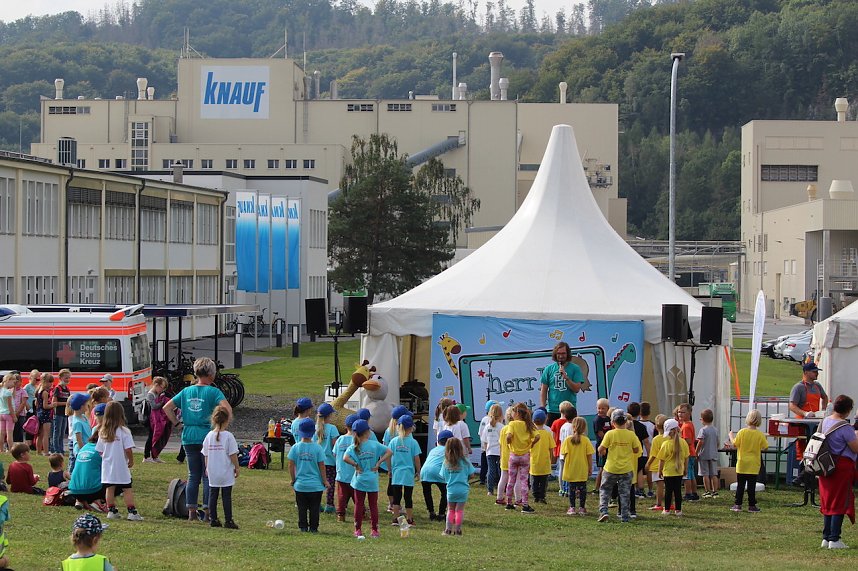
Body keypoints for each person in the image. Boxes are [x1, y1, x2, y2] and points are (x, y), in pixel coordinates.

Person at [163, 357, 232, 523]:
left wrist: (177, 423)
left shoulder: (186, 391)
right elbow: (227, 409)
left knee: (193, 475)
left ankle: (191, 512)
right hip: (207, 436)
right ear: (211, 374)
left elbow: (167, 408)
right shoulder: (213, 392)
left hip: (189, 435)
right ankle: (208, 511)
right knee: (208, 475)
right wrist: (221, 427)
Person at [817, 395, 858, 549]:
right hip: (841, 468)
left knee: (827, 501)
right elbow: (855, 448)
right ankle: (835, 538)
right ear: (847, 410)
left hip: (824, 465)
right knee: (839, 502)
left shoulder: (824, 421)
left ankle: (826, 537)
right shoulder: (845, 428)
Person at [344, 419, 392, 539]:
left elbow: (345, 458)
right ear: (367, 432)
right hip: (372, 479)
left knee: (359, 505)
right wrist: (379, 462)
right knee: (373, 505)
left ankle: (358, 529)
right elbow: (389, 451)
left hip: (359, 479)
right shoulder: (374, 444)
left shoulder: (354, 446)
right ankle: (374, 530)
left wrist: (355, 464)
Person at [96, 402, 142, 521]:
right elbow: (128, 449)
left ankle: (111, 510)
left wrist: (106, 456)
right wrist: (130, 460)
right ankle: (131, 511)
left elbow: (100, 450)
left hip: (108, 465)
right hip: (121, 465)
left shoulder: (103, 432)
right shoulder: (124, 431)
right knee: (127, 488)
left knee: (109, 488)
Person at [597, 408, 640, 523]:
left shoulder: (610, 434)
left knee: (605, 490)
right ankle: (624, 516)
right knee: (625, 493)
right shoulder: (631, 435)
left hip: (610, 467)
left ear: (612, 422)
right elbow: (636, 449)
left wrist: (603, 452)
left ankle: (604, 511)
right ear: (626, 421)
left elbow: (601, 449)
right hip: (626, 468)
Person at [203, 404, 239, 529]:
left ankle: (213, 518)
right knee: (226, 496)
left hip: (213, 470)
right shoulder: (228, 436)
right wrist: (237, 467)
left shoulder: (209, 436)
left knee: (213, 495)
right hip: (225, 471)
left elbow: (206, 454)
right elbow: (233, 454)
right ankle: (228, 520)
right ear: (227, 419)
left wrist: (207, 468)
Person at [289, 418, 328, 533]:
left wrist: (293, 479)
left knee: (302, 508)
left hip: (300, 485)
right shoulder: (318, 448)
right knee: (315, 508)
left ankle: (303, 526)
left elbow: (291, 465)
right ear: (313, 432)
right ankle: (314, 527)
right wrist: (324, 480)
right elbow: (322, 466)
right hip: (316, 485)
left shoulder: (295, 447)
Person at [728, 409, 768, 513]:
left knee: (740, 485)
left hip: (742, 464)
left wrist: (731, 436)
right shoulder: (760, 435)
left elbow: (735, 444)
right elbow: (765, 447)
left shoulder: (742, 432)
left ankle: (737, 504)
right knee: (751, 486)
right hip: (754, 465)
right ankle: (752, 505)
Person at [788, 362, 829, 460]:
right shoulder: (798, 387)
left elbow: (825, 397)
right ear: (806, 372)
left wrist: (823, 410)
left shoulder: (817, 385)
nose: (817, 374)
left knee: (816, 447)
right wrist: (805, 413)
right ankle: (801, 465)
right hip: (802, 423)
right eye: (814, 372)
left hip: (815, 422)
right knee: (802, 449)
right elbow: (792, 405)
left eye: (817, 372)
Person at [504, 402, 539, 514]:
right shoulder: (528, 424)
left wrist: (508, 443)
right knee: (524, 481)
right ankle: (525, 504)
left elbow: (509, 436)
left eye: (513, 411)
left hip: (513, 455)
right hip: (525, 456)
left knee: (511, 480)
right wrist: (531, 444)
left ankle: (509, 503)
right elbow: (537, 436)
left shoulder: (512, 424)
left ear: (517, 413)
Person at [388, 414, 422, 526]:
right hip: (408, 473)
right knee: (408, 497)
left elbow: (388, 456)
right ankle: (410, 519)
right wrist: (418, 471)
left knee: (396, 498)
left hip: (396, 472)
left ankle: (395, 519)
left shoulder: (393, 441)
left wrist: (390, 469)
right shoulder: (413, 442)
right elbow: (416, 459)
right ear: (411, 428)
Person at [539, 341, 584, 425]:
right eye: (558, 353)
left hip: (569, 411)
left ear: (568, 354)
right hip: (552, 411)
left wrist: (566, 378)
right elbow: (544, 389)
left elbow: (577, 389)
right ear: (555, 354)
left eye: (563, 353)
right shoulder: (549, 369)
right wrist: (543, 407)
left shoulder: (575, 368)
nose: (561, 356)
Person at [439, 437, 476, 536]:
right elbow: (472, 474)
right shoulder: (465, 461)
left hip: (451, 489)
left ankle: (448, 529)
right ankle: (458, 530)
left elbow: (443, 476)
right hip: (463, 489)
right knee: (459, 510)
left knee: (450, 509)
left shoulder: (446, 462)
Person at [561, 416, 595, 515]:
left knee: (572, 489)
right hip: (582, 468)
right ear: (584, 428)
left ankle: (572, 507)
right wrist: (590, 468)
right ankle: (582, 507)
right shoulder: (586, 440)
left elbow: (564, 454)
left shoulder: (567, 440)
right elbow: (589, 456)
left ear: (573, 427)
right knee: (582, 489)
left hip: (571, 468)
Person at [657, 418, 689, 516]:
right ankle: (678, 510)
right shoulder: (683, 442)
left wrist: (659, 471)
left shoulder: (665, 444)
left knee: (668, 491)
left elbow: (661, 460)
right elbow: (686, 458)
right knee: (678, 491)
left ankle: (666, 510)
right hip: (679, 470)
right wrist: (685, 469)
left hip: (668, 471)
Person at [68, 434, 107, 513]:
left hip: (74, 490)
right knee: (118, 483)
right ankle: (97, 501)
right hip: (93, 491)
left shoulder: (84, 448)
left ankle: (80, 501)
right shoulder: (101, 451)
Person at [420, 429, 453, 522]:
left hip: (425, 472)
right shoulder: (448, 451)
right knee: (445, 492)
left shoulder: (433, 450)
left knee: (427, 493)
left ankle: (431, 512)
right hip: (437, 472)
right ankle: (441, 514)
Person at [333, 414, 358, 523]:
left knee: (342, 496)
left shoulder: (340, 439)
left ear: (346, 426)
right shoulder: (356, 441)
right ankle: (361, 513)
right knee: (357, 496)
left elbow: (334, 453)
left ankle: (341, 515)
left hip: (341, 473)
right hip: (354, 474)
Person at [316, 402, 340, 514]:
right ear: (329, 415)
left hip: (318, 461)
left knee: (319, 482)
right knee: (330, 483)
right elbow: (335, 445)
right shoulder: (332, 428)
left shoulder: (316, 428)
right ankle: (329, 504)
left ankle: (317, 503)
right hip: (330, 461)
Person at [676, 403, 699, 501]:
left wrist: (680, 440)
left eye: (683, 412)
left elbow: (688, 441)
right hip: (692, 452)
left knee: (687, 475)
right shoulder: (688, 424)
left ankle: (688, 493)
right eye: (679, 412)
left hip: (688, 453)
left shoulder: (685, 426)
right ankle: (694, 493)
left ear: (689, 413)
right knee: (692, 474)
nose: (680, 414)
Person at [144, 377, 171, 463]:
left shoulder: (157, 393)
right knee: (151, 437)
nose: (162, 390)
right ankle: (146, 456)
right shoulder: (150, 394)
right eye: (161, 387)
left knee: (155, 437)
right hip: (150, 419)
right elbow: (154, 406)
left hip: (155, 419)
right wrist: (162, 402)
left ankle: (154, 456)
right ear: (156, 385)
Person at [529, 409, 554, 504]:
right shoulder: (547, 434)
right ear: (545, 420)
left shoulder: (531, 433)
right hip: (545, 461)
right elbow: (551, 448)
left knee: (534, 480)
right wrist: (551, 459)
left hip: (534, 461)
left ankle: (535, 496)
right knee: (544, 481)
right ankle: (542, 496)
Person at [479, 403, 504, 496]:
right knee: (500, 470)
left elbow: (484, 440)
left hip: (489, 452)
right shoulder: (502, 427)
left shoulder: (487, 426)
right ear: (501, 414)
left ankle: (490, 490)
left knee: (491, 470)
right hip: (499, 452)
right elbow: (503, 441)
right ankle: (502, 488)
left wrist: (486, 451)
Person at [644, 414, 668, 511]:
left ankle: (658, 503)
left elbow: (653, 454)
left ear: (656, 426)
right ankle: (670, 503)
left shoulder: (656, 439)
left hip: (657, 466)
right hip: (668, 465)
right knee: (669, 485)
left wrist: (648, 464)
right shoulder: (670, 438)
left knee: (660, 485)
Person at [553, 401, 576, 497]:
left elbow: (555, 437)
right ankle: (567, 488)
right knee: (568, 470)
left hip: (560, 447)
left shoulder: (558, 423)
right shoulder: (571, 425)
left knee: (561, 469)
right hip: (568, 450)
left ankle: (561, 488)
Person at [627, 403, 650, 498]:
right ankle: (640, 490)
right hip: (638, 451)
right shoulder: (641, 426)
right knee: (639, 470)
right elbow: (646, 442)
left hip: (627, 452)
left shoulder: (624, 426)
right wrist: (649, 454)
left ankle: (629, 488)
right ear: (639, 413)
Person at [696, 408, 720, 498]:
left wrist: (696, 452)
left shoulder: (703, 430)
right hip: (713, 454)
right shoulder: (715, 430)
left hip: (704, 454)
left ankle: (707, 491)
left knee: (705, 474)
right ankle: (715, 491)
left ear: (703, 419)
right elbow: (717, 442)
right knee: (714, 474)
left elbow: (700, 442)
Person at [69, 393, 92, 476]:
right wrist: (83, 451)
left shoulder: (84, 417)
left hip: (87, 447)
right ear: (81, 406)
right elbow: (79, 439)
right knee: (80, 469)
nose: (88, 405)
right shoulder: (77, 422)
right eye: (86, 404)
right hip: (81, 450)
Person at [494, 406, 514, 506]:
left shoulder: (503, 428)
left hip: (504, 457)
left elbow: (501, 444)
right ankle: (516, 498)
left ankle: (499, 497)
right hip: (513, 457)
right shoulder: (513, 429)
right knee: (515, 478)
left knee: (503, 478)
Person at [50, 369, 72, 455]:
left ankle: (61, 449)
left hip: (65, 413)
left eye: (68, 378)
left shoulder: (67, 388)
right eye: (66, 378)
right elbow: (54, 403)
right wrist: (65, 403)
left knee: (62, 432)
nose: (67, 380)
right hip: (58, 413)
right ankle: (56, 449)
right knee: (57, 432)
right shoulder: (57, 388)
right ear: (60, 378)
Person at [478, 400, 498, 486]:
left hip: (485, 447)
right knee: (494, 466)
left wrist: (483, 445)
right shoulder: (496, 421)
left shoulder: (484, 419)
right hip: (494, 448)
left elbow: (480, 433)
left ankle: (482, 479)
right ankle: (495, 480)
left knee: (485, 465)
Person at [592, 398, 611, 493]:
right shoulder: (597, 419)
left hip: (608, 446)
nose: (600, 410)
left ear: (607, 408)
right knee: (601, 467)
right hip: (601, 446)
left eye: (603, 408)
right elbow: (600, 433)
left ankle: (606, 485)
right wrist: (608, 441)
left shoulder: (608, 419)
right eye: (599, 408)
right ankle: (597, 487)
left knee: (606, 466)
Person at [638, 402, 656, 497]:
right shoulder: (653, 425)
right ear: (649, 412)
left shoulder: (637, 425)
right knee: (649, 472)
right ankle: (650, 489)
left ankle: (639, 489)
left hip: (640, 452)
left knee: (639, 471)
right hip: (650, 451)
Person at [35, 373, 53, 456]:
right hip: (45, 414)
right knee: (46, 434)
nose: (51, 384)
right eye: (49, 382)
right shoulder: (45, 392)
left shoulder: (39, 390)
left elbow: (36, 403)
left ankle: (38, 451)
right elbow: (45, 406)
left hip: (39, 413)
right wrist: (53, 405)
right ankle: (46, 451)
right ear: (44, 382)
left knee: (40, 434)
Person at [0, 375, 15, 453]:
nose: (14, 384)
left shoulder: (1, 390)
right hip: (8, 414)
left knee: (2, 433)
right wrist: (14, 416)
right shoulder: (8, 392)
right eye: (13, 382)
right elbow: (10, 406)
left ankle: (1, 449)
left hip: (1, 413)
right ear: (8, 380)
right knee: (9, 433)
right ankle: (11, 450)